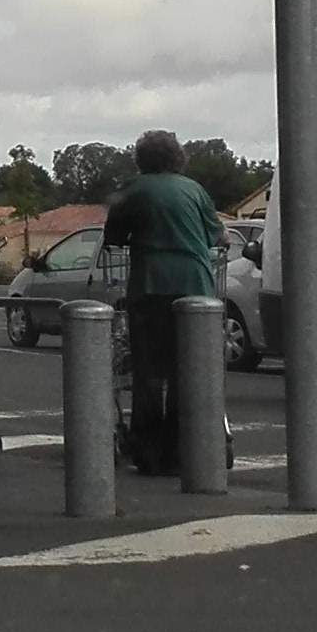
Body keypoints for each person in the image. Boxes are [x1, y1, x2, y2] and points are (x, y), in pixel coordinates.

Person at [103, 130, 224, 474]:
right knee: (188, 368)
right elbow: (218, 234)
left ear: (141, 160)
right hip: (196, 285)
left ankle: (149, 450)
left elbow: (114, 236)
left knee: (149, 370)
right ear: (178, 158)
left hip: (151, 284)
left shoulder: (132, 188)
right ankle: (182, 448)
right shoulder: (195, 189)